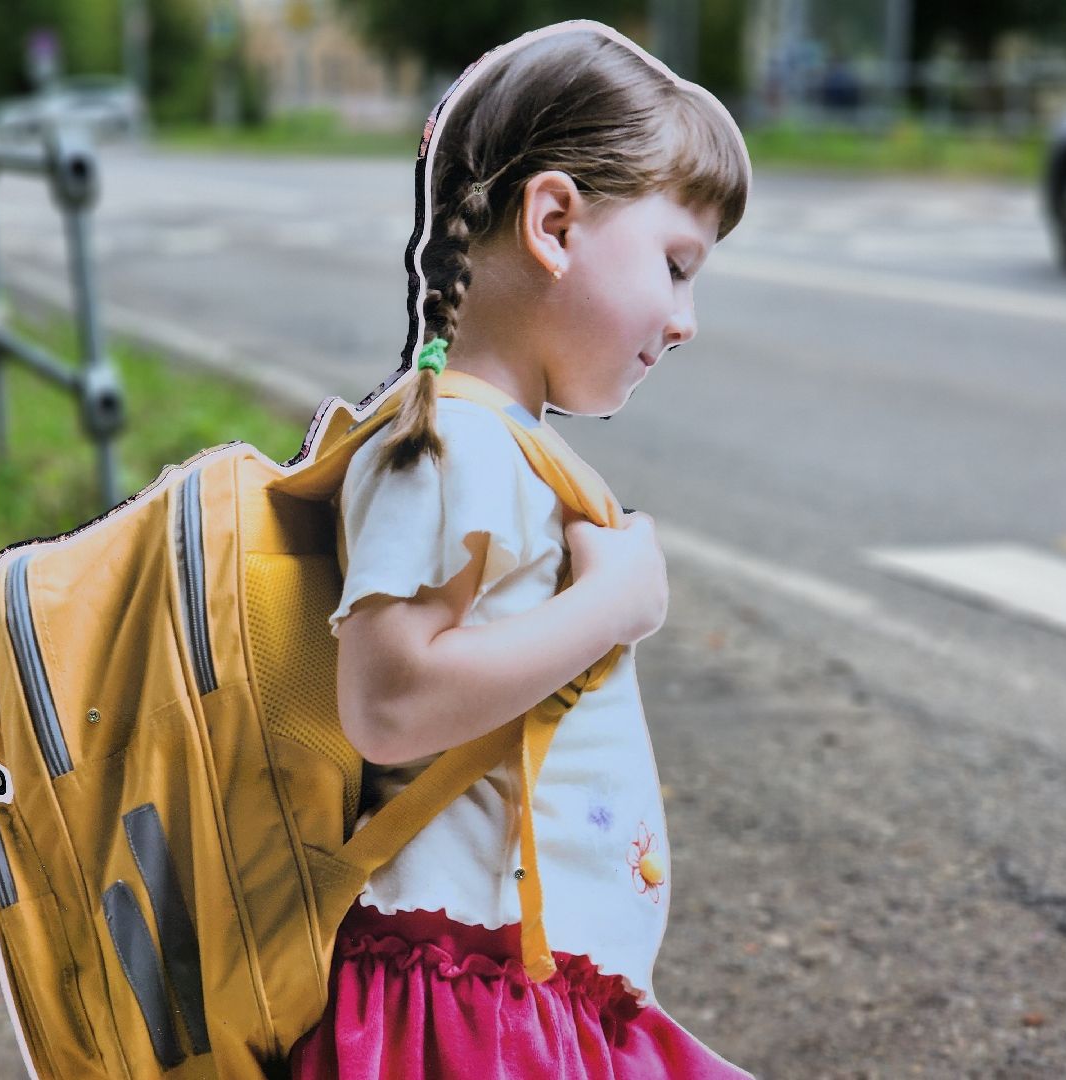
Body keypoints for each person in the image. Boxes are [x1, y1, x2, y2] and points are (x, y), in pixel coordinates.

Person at [287, 19, 756, 1080]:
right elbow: (391, 699)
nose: (685, 319)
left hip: (520, 985)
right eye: (675, 264)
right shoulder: (449, 442)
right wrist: (613, 606)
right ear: (553, 221)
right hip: (462, 1003)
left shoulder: (494, 446)